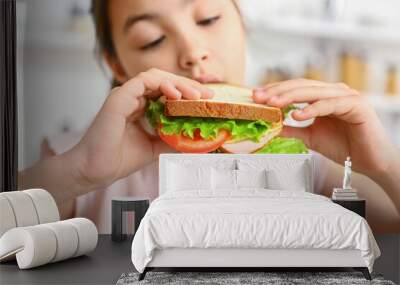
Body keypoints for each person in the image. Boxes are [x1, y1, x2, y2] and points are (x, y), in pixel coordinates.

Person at [19, 0, 400, 233]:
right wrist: (80, 173)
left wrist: (385, 165)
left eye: (208, 18)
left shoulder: (310, 161)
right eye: (152, 39)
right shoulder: (74, 162)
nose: (193, 51)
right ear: (116, 63)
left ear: (241, 22)